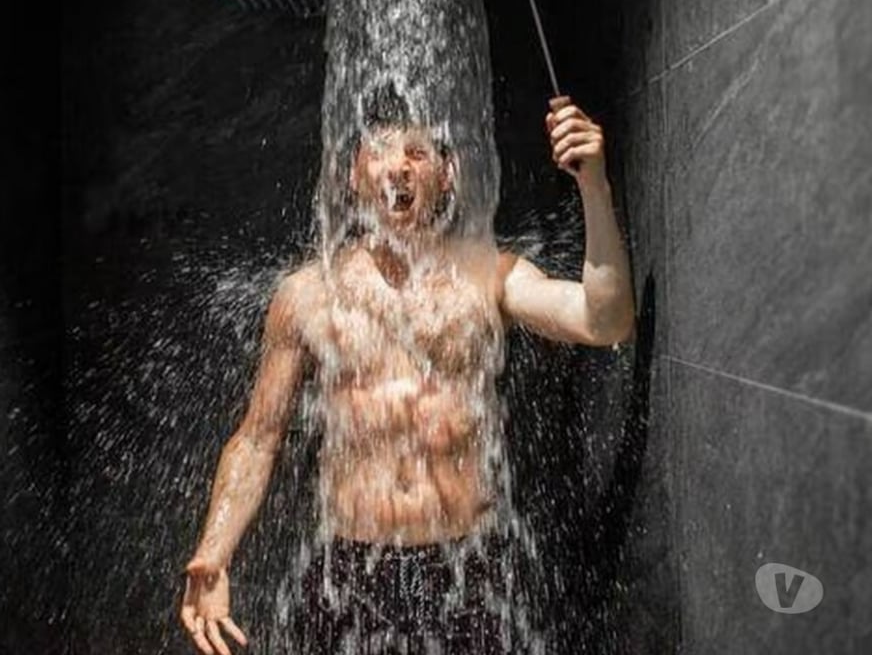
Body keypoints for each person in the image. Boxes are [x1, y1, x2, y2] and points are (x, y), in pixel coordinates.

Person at [179, 91, 636, 654]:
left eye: (417, 153)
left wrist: (594, 185)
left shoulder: (489, 277)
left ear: (448, 174)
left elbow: (605, 321)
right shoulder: (306, 296)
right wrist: (214, 552)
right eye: (380, 151)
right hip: (349, 569)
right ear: (354, 174)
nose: (397, 166)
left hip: (465, 565)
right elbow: (257, 438)